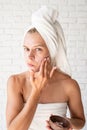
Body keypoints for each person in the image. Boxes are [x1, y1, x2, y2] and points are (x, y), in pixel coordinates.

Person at [6, 6, 85, 130]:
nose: (29, 56)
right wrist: (37, 91)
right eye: (26, 49)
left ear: (52, 51)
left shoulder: (69, 85)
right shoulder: (16, 82)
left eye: (38, 49)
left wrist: (68, 123)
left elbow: (80, 121)